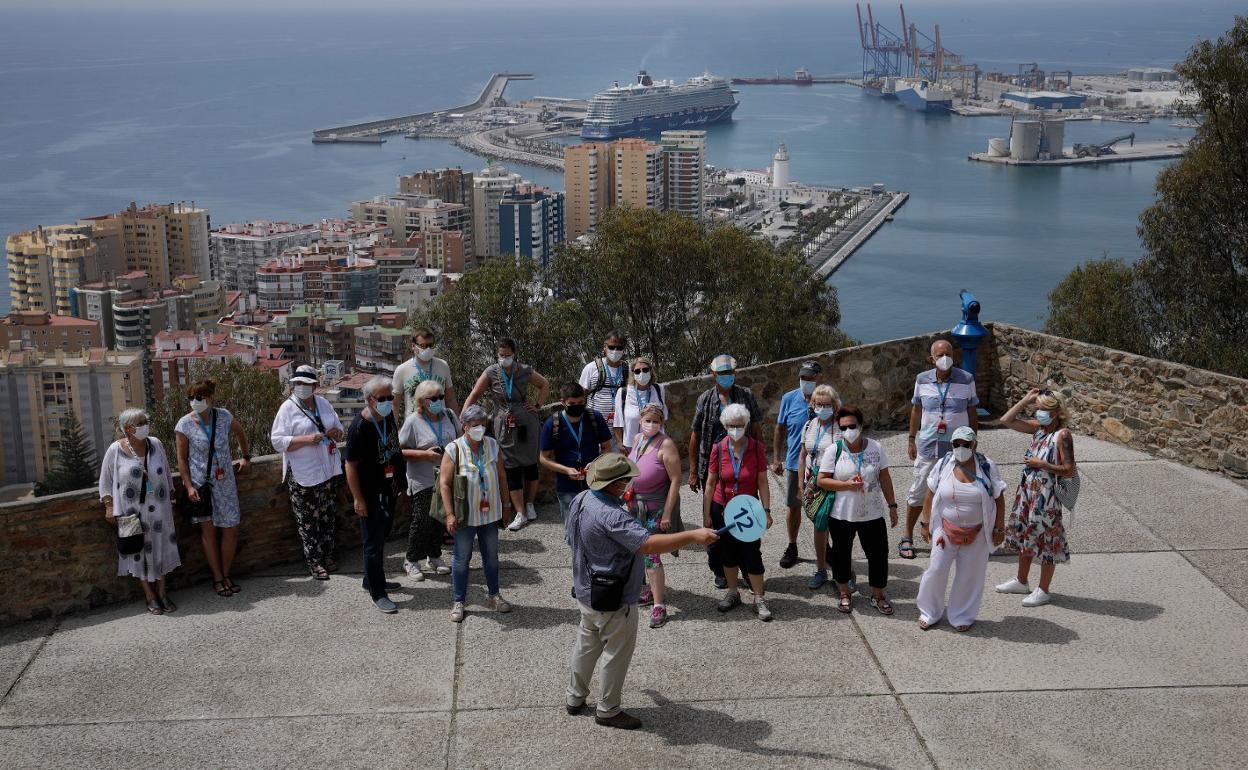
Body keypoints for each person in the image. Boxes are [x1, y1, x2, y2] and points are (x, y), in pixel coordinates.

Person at [565, 453, 720, 730]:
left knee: (586, 645)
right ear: (615, 484)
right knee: (616, 652)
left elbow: (569, 538)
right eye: (625, 480)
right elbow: (648, 545)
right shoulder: (612, 516)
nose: (628, 484)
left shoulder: (581, 500)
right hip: (613, 598)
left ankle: (575, 697)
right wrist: (694, 536)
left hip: (585, 592)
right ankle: (608, 710)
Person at [914, 427, 1007, 631]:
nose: (961, 448)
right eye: (957, 444)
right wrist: (925, 523)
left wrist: (999, 528)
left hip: (978, 532)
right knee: (936, 570)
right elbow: (929, 495)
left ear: (974, 445)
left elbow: (999, 498)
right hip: (944, 530)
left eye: (966, 444)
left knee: (970, 575)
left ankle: (962, 615)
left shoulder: (987, 465)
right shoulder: (944, 464)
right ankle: (930, 611)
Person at [687, 354, 764, 589]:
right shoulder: (705, 399)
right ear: (713, 374)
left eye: (729, 373)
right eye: (722, 374)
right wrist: (692, 471)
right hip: (712, 467)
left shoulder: (746, 396)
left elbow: (757, 429)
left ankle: (747, 569)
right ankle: (719, 569)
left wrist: (759, 456)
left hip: (743, 467)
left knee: (745, 519)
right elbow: (695, 435)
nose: (726, 377)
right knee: (714, 522)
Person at [994, 389, 1077, 607]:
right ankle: (1021, 581)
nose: (1039, 412)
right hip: (1028, 493)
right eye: (1037, 408)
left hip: (1046, 498)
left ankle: (1043, 589)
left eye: (1043, 409)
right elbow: (1006, 420)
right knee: (1026, 535)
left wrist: (1042, 465)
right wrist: (1025, 400)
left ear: (1056, 412)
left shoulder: (1063, 435)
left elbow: (1068, 470)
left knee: (1047, 541)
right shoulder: (1038, 430)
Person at [816, 406, 899, 615]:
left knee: (878, 555)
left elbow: (885, 478)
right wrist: (846, 485)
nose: (848, 430)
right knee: (842, 554)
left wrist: (892, 505)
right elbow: (822, 480)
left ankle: (878, 595)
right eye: (843, 427)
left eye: (852, 426)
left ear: (861, 426)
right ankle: (844, 592)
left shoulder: (876, 448)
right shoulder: (833, 451)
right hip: (842, 514)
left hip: (872, 513)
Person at [901, 339, 979, 561]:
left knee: (954, 492)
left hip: (957, 448)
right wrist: (911, 439)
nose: (945, 358)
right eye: (940, 354)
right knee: (918, 491)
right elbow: (916, 410)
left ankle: (950, 534)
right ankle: (907, 535)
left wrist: (973, 440)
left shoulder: (966, 380)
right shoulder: (922, 380)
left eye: (948, 353)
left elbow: (972, 411)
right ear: (931, 359)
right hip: (928, 445)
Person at [462, 338, 549, 532]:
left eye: (507, 355)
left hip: (527, 421)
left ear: (515, 353)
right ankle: (520, 513)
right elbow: (475, 394)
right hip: (504, 423)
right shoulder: (491, 372)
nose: (504, 358)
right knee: (510, 465)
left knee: (530, 464)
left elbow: (544, 384)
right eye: (501, 355)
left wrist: (537, 405)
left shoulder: (524, 370)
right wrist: (463, 417)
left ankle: (529, 504)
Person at [174, 379, 251, 598]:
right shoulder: (184, 425)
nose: (195, 402)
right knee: (208, 532)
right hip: (201, 485)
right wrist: (188, 486)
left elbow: (240, 433)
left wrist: (245, 457)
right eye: (191, 398)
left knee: (230, 529)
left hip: (225, 481)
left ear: (210, 398)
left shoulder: (224, 416)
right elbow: (181, 459)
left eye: (199, 397)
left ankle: (226, 574)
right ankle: (218, 578)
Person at [100, 408, 181, 615]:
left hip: (161, 510)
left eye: (146, 421)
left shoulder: (156, 444)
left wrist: (171, 497)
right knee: (139, 552)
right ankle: (150, 595)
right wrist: (109, 506)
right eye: (141, 422)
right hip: (132, 513)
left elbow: (167, 473)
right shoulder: (115, 450)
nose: (146, 424)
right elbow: (106, 481)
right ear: (128, 428)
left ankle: (162, 592)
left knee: (162, 548)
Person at [439, 405, 515, 622]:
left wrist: (506, 505)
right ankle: (458, 601)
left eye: (483, 425)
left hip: (490, 514)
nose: (479, 429)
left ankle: (494, 596)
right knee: (461, 559)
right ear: (465, 427)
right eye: (475, 426)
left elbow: (501, 476)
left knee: (491, 557)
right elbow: (444, 483)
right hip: (465, 515)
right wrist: (450, 514)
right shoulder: (453, 449)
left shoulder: (492, 445)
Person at [270, 364, 345, 580]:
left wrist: (335, 432)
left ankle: (329, 556)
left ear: (314, 385)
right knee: (308, 520)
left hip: (328, 469)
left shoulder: (323, 403)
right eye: (298, 384)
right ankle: (315, 562)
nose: (302, 387)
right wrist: (305, 440)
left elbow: (339, 430)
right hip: (304, 473)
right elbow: (277, 441)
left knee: (328, 516)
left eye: (306, 384)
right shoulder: (287, 409)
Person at [702, 403, 774, 621]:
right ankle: (733, 592)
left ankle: (759, 598)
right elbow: (711, 482)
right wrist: (706, 515)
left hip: (748, 509)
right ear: (725, 425)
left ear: (746, 425)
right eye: (732, 425)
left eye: (740, 425)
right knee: (727, 552)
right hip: (721, 508)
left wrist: (767, 510)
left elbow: (762, 480)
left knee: (752, 553)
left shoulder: (756, 447)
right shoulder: (719, 448)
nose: (736, 429)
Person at [344, 377, 403, 614]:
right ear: (369, 400)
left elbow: (394, 449)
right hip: (369, 493)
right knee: (372, 543)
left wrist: (401, 481)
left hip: (388, 488)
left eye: (391, 397)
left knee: (383, 534)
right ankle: (378, 593)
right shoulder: (359, 427)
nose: (388, 401)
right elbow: (350, 464)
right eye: (383, 398)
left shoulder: (387, 417)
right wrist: (358, 498)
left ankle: (371, 579)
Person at [626, 403, 683, 628]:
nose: (651, 424)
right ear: (640, 420)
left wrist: (667, 513)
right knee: (638, 552)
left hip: (655, 508)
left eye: (656, 421)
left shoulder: (666, 444)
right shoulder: (638, 439)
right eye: (647, 420)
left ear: (662, 423)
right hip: (634, 505)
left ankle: (659, 605)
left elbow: (676, 480)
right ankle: (649, 591)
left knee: (651, 556)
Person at [398, 379, 460, 581]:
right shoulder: (412, 421)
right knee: (422, 520)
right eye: (433, 398)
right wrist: (424, 455)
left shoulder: (448, 416)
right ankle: (411, 559)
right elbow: (400, 451)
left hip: (445, 477)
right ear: (422, 401)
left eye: (441, 397)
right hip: (422, 478)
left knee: (439, 519)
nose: (438, 401)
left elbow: (459, 439)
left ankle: (434, 555)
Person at [772, 360, 823, 570]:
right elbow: (780, 429)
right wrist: (776, 457)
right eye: (803, 378)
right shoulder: (789, 399)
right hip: (794, 463)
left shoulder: (828, 399)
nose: (806, 382)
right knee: (794, 508)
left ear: (820, 378)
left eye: (810, 378)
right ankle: (792, 546)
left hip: (822, 465)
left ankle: (824, 547)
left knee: (823, 508)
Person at [540, 383, 613, 521]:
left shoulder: (595, 418)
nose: (577, 406)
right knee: (572, 528)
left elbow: (607, 448)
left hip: (595, 482)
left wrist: (596, 464)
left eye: (580, 402)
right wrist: (566, 470)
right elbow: (543, 458)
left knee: (596, 525)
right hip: (567, 486)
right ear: (563, 402)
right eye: (572, 403)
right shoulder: (552, 424)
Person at [796, 384, 842, 589]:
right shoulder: (809, 426)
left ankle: (843, 572)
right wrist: (800, 483)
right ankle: (821, 569)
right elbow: (802, 455)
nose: (822, 407)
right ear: (813, 404)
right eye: (819, 404)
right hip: (813, 484)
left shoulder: (841, 426)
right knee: (820, 526)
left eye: (827, 404)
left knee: (839, 528)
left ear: (835, 405)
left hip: (835, 482)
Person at [393, 327, 458, 419]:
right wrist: (393, 430)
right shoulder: (402, 370)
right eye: (423, 346)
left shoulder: (443, 366)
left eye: (430, 345)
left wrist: (457, 425)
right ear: (413, 346)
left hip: (440, 423)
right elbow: (395, 404)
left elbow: (450, 399)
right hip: (415, 426)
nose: (427, 349)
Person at [612, 355, 667, 455]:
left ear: (650, 370)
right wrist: (620, 444)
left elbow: (664, 417)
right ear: (633, 373)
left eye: (645, 370)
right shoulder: (623, 393)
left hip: (656, 442)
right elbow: (617, 422)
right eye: (637, 371)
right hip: (632, 446)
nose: (642, 373)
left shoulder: (659, 389)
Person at [579, 330, 629, 439]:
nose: (615, 351)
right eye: (611, 347)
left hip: (620, 429)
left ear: (623, 350)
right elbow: (581, 395)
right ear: (604, 347)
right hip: (595, 427)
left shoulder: (627, 370)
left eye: (619, 348)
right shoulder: (591, 368)